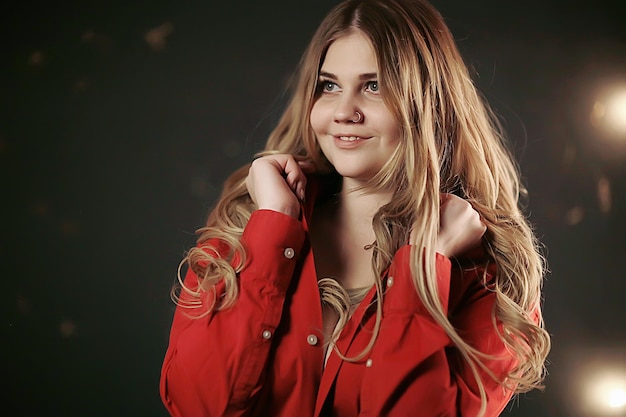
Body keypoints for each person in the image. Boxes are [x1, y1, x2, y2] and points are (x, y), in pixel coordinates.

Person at [159, 0, 551, 416]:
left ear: (430, 103)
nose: (344, 112)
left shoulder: (488, 272)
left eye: (374, 85)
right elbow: (197, 405)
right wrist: (273, 223)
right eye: (329, 86)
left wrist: (423, 266)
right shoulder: (248, 224)